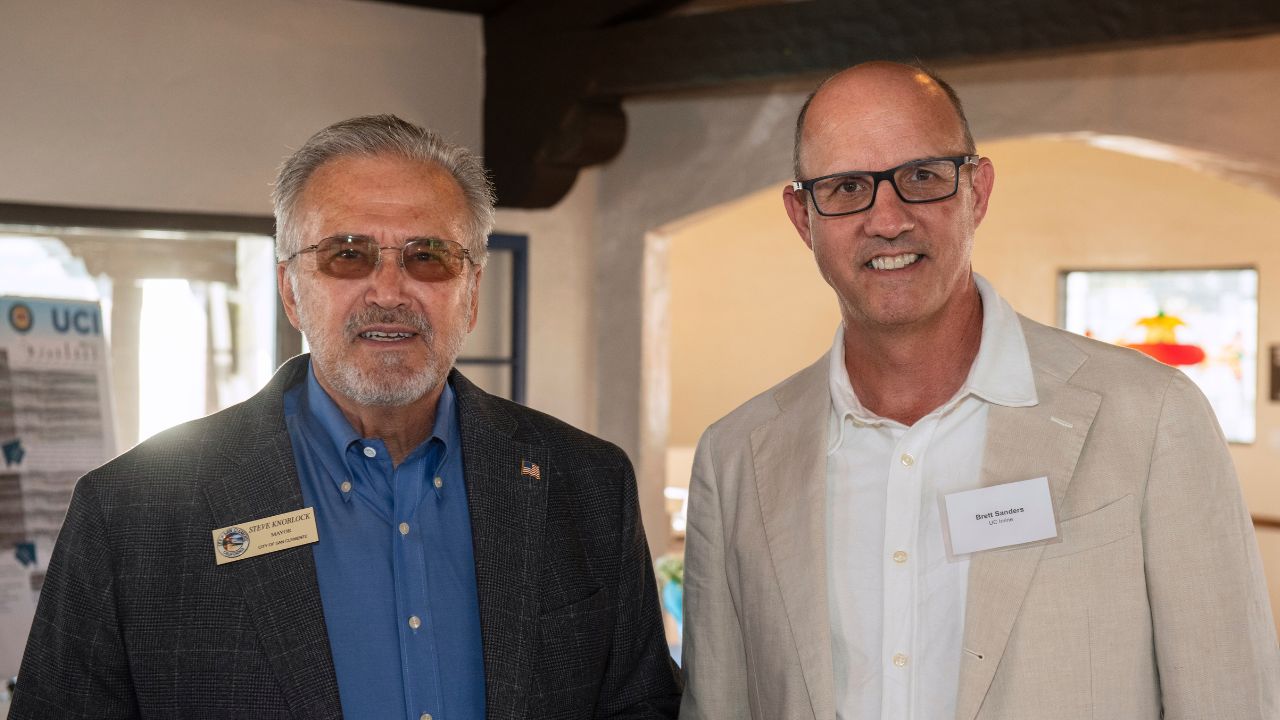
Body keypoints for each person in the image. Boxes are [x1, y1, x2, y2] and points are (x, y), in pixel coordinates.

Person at [11, 114, 681, 720]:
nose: (389, 292)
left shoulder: (588, 487)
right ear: (291, 292)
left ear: (472, 292)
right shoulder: (133, 515)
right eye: (348, 254)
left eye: (428, 257)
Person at [678, 62, 1279, 719]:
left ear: (978, 192)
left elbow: (1229, 699)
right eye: (847, 186)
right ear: (803, 219)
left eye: (921, 178)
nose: (888, 218)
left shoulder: (1150, 416)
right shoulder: (736, 459)